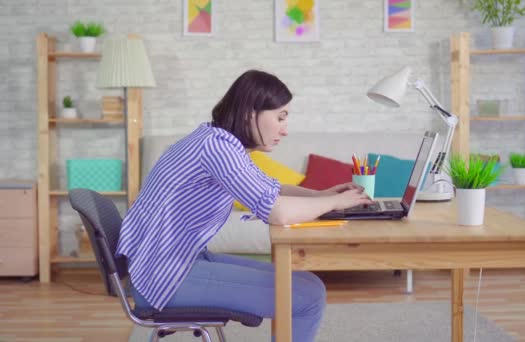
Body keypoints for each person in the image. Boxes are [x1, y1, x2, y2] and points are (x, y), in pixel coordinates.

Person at [116, 69, 373, 342]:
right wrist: (339, 201)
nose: (285, 129)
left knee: (309, 283)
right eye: (280, 117)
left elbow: (272, 188)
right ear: (251, 112)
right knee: (308, 297)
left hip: (172, 264)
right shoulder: (218, 148)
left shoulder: (216, 140)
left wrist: (322, 195)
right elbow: (279, 212)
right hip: (165, 277)